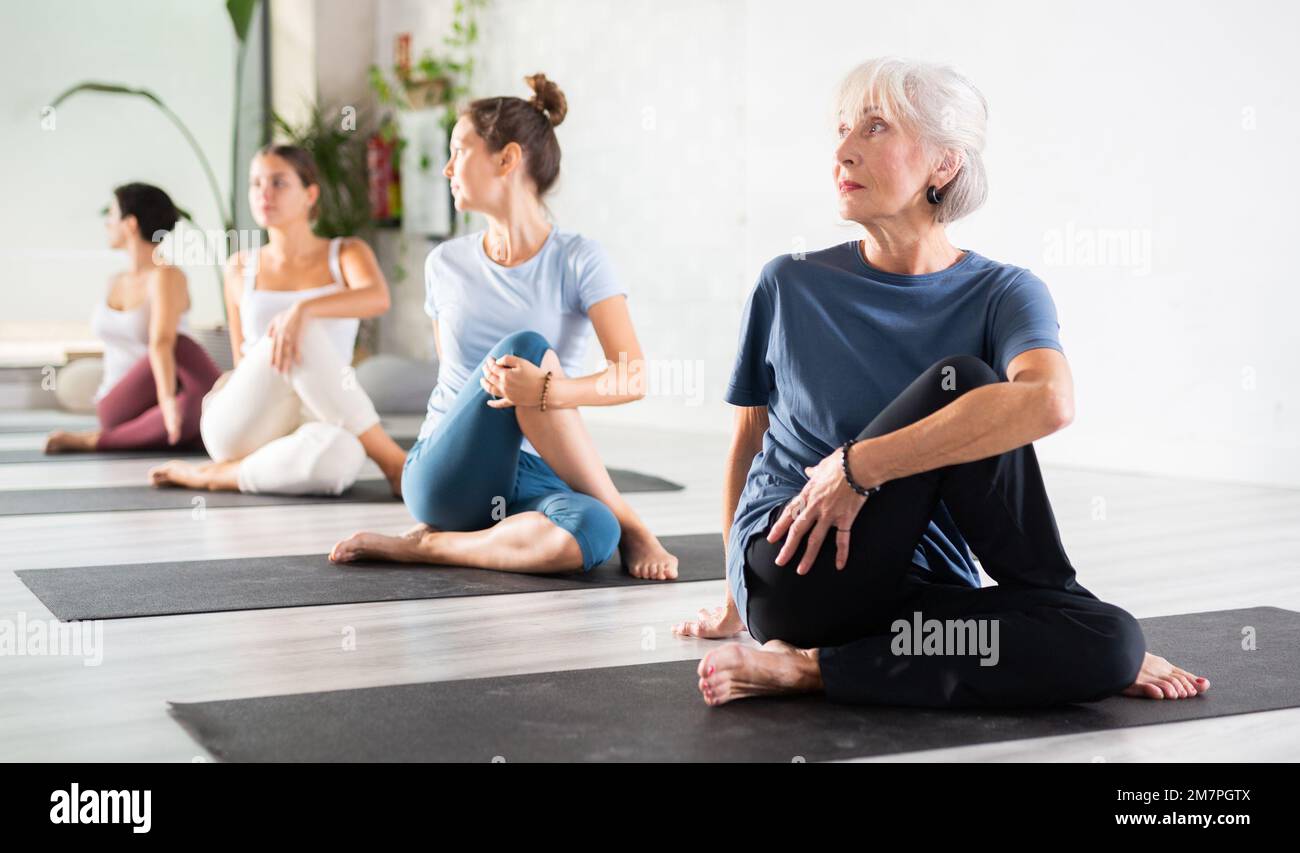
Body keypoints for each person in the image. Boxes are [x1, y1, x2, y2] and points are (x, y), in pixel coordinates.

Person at [674, 57, 1211, 707]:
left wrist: (857, 467)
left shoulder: (1004, 292)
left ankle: (814, 669)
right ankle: (818, 644)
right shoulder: (787, 284)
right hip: (798, 571)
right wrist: (737, 598)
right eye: (842, 130)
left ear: (944, 164)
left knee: (1112, 641)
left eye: (873, 128)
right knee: (963, 382)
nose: (842, 151)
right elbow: (747, 442)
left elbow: (1050, 400)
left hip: (919, 602)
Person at [330, 74, 677, 579]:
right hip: (446, 473)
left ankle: (433, 548)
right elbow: (451, 388)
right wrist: (535, 380)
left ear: (507, 159)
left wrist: (551, 391)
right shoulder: (444, 263)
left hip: (534, 473)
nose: (446, 168)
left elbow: (632, 376)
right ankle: (633, 522)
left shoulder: (580, 259)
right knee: (527, 349)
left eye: (459, 150)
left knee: (591, 533)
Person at [149, 145, 407, 496]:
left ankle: (216, 476)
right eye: (256, 184)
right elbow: (244, 360)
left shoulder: (346, 253)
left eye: (279, 183)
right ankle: (393, 462)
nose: (264, 194)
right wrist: (298, 317)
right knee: (295, 331)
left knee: (338, 459)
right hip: (245, 419)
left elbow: (377, 298)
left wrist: (304, 308)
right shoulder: (240, 267)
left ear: (310, 194)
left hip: (319, 415)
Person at [45, 183, 220, 454]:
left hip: (159, 403)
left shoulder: (165, 275)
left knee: (200, 405)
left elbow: (161, 342)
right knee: (206, 391)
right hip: (118, 403)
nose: (106, 224)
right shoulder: (114, 281)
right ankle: (98, 440)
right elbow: (163, 343)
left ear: (130, 224)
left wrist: (167, 401)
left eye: (111, 215)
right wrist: (168, 402)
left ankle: (177, 429)